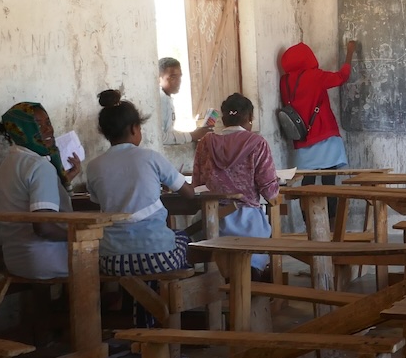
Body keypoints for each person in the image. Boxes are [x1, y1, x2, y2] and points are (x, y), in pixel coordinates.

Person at [84, 89, 197, 276]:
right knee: (183, 238)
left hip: (112, 261)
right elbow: (189, 193)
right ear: (134, 128)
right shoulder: (151, 157)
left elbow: (97, 201)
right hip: (156, 258)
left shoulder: (94, 166)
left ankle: (137, 300)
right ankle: (167, 295)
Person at [192, 92, 280, 276]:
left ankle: (215, 277)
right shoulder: (257, 143)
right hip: (248, 224)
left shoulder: (205, 143)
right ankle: (254, 274)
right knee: (266, 230)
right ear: (250, 118)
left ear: (223, 119)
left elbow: (197, 185)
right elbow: (269, 190)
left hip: (211, 221)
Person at [0, 102, 79, 280]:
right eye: (38, 125)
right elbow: (44, 227)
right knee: (105, 256)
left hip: (16, 259)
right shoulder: (40, 166)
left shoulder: (9, 163)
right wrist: (79, 236)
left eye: (48, 122)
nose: (48, 130)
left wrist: (65, 180)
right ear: (22, 130)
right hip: (45, 259)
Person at [279, 39, 356, 225]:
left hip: (302, 139)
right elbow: (341, 77)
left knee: (307, 185)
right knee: (329, 184)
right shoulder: (316, 76)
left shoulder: (285, 81)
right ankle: (332, 227)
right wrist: (349, 54)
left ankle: (310, 227)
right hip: (324, 135)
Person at [156, 57, 212, 150]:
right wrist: (191, 136)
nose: (178, 81)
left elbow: (169, 131)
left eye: (180, 76)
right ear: (159, 78)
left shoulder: (167, 99)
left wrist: (193, 134)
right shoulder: (161, 100)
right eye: (173, 77)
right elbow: (161, 137)